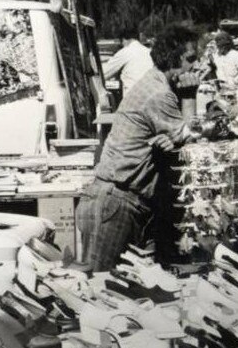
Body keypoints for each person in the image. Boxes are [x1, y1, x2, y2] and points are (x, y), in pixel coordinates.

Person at [76, 24, 202, 271]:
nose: (195, 66)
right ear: (172, 58)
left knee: (117, 288)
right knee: (101, 287)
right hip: (116, 202)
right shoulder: (159, 94)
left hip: (117, 199)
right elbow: (191, 141)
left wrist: (173, 138)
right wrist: (190, 96)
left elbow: (177, 138)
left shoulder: (155, 84)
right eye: (190, 59)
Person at [102, 26, 153, 98]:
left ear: (123, 39)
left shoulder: (125, 52)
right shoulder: (149, 51)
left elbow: (103, 74)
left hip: (134, 99)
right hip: (152, 97)